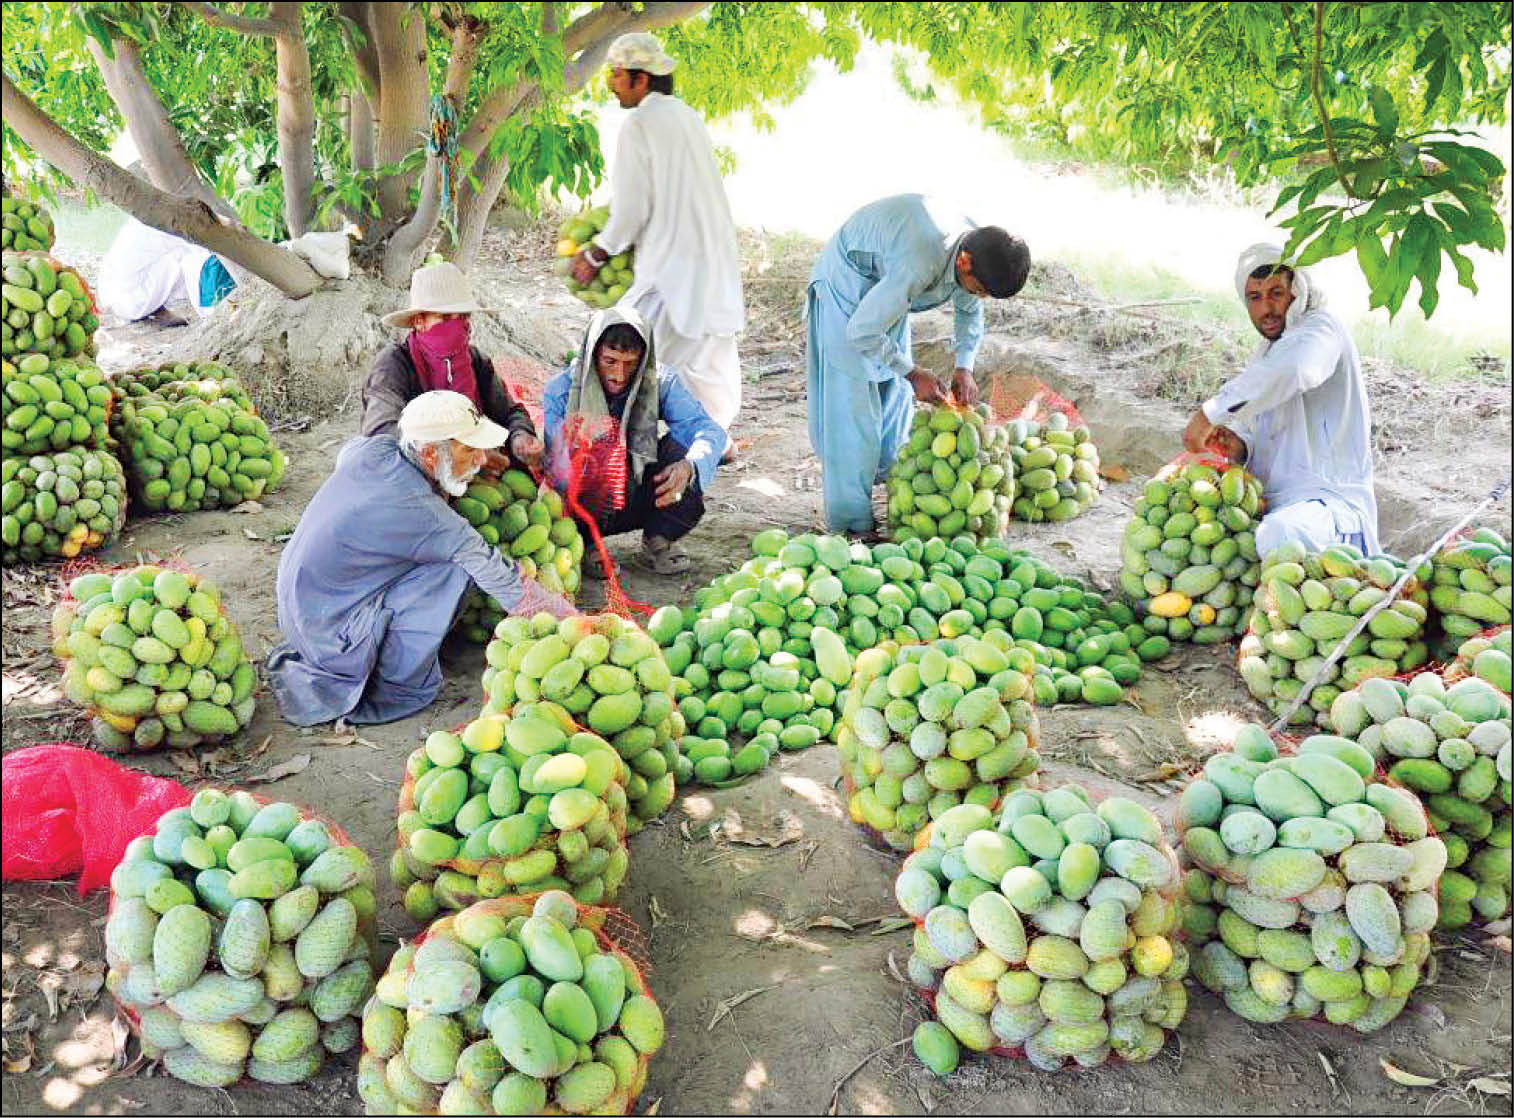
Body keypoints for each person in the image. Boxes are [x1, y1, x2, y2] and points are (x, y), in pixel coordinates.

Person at [266, 391, 574, 726]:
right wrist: (574, 623)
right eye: (469, 450)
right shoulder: (426, 516)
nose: (481, 460)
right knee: (453, 570)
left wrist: (450, 471)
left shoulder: (374, 449)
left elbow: (348, 460)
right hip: (332, 640)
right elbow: (506, 581)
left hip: (304, 613)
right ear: (429, 453)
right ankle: (400, 682)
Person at [806, 193, 1031, 534]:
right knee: (852, 412)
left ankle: (891, 483)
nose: (980, 298)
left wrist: (963, 366)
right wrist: (912, 372)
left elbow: (969, 310)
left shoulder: (978, 248)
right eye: (980, 289)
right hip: (847, 287)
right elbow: (862, 330)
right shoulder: (921, 259)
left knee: (893, 397)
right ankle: (851, 527)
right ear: (964, 263)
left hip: (887, 285)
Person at [568, 32, 745, 449]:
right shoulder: (686, 116)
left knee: (621, 353)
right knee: (707, 363)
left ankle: (607, 446)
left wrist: (596, 254)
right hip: (714, 262)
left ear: (641, 79)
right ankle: (714, 438)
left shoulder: (640, 124)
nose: (611, 84)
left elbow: (632, 209)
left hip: (672, 269)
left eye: (616, 74)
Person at [1182, 243, 1378, 557]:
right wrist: (1241, 447)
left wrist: (1210, 414)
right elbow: (1273, 433)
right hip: (1274, 506)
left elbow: (1295, 369)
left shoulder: (1321, 330)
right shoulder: (1270, 353)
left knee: (1278, 535)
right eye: (1255, 298)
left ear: (1297, 292)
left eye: (1276, 293)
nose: (1266, 310)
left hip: (1326, 508)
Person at [542, 307, 725, 576]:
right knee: (581, 461)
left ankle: (657, 538)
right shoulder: (561, 391)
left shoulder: (660, 381)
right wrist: (582, 438)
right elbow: (555, 463)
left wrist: (690, 466)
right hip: (586, 499)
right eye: (610, 361)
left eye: (630, 363)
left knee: (684, 448)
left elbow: (706, 429)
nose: (619, 375)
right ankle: (586, 542)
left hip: (639, 490)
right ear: (593, 355)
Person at [362, 261, 545, 474]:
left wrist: (520, 437)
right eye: (446, 317)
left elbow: (510, 411)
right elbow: (381, 432)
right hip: (415, 476)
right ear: (420, 321)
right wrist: (458, 455)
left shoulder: (475, 360)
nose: (458, 326)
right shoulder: (393, 365)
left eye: (464, 317)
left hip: (478, 474)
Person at [96, 215, 236, 326]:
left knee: (185, 250)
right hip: (131, 300)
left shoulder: (147, 212)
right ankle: (212, 310)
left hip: (114, 293)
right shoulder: (174, 217)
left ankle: (156, 308)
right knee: (193, 256)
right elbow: (207, 248)